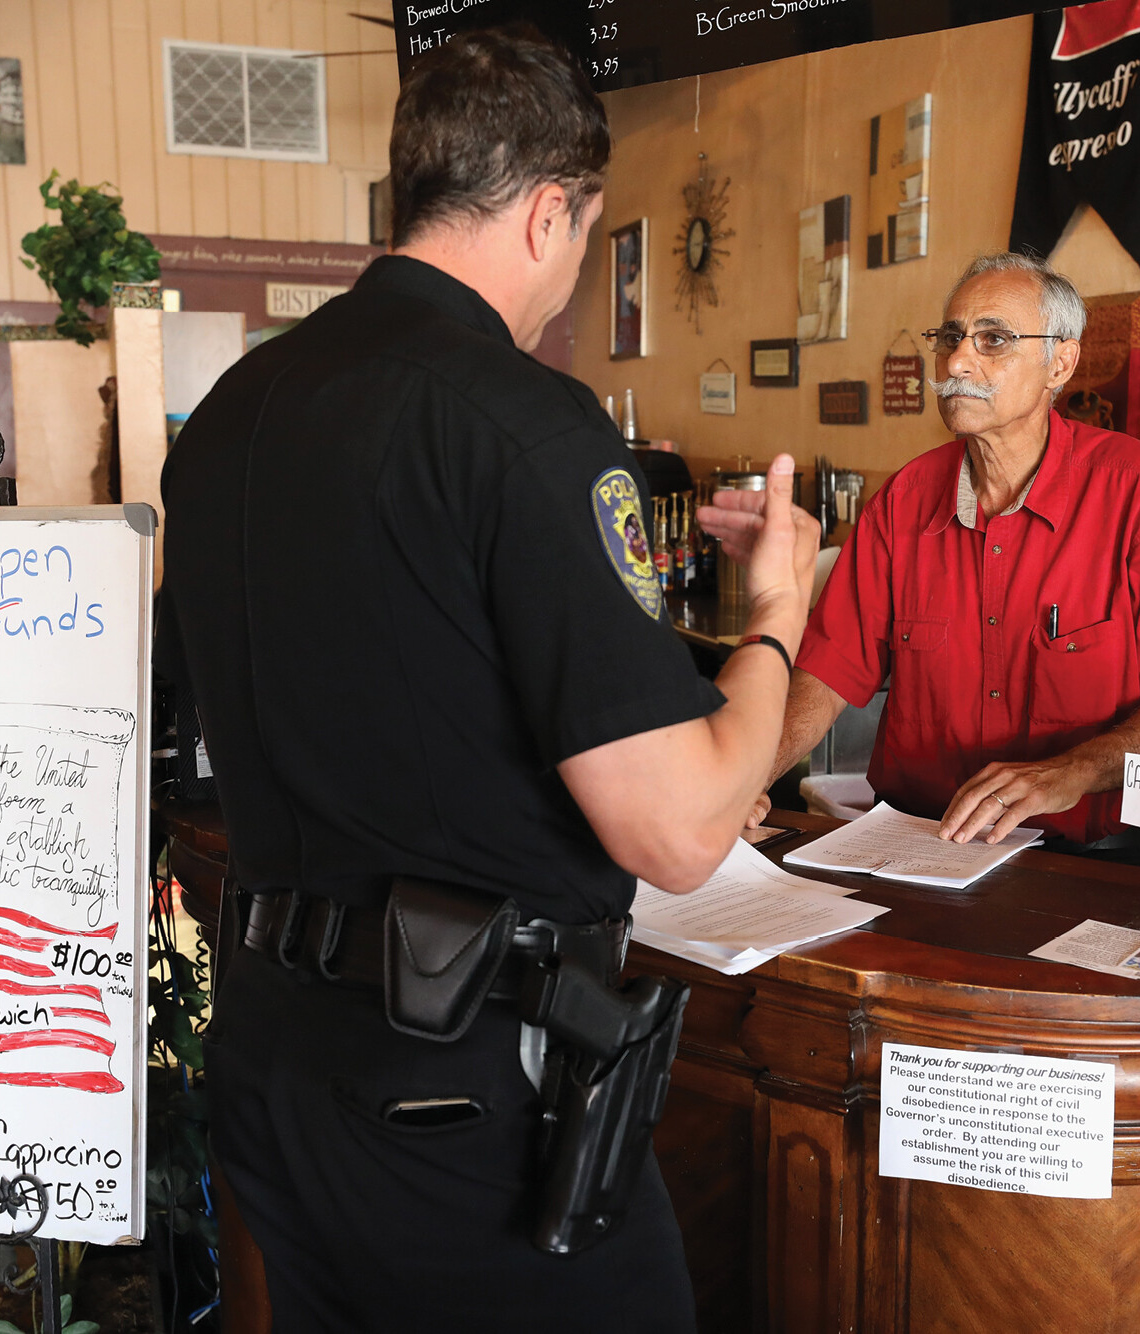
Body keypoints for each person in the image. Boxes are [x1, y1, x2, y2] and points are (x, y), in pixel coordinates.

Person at [161, 27, 816, 1333]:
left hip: (273, 1055)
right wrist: (778, 616)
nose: (569, 282)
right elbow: (680, 827)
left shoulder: (234, 413)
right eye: (580, 242)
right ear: (544, 213)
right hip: (456, 1088)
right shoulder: (525, 423)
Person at [741, 252, 1140, 862]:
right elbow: (828, 670)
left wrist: (1069, 774)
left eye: (993, 340)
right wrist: (743, 780)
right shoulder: (904, 501)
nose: (956, 362)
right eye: (950, 337)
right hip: (915, 843)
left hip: (1084, 860)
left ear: (1060, 362)